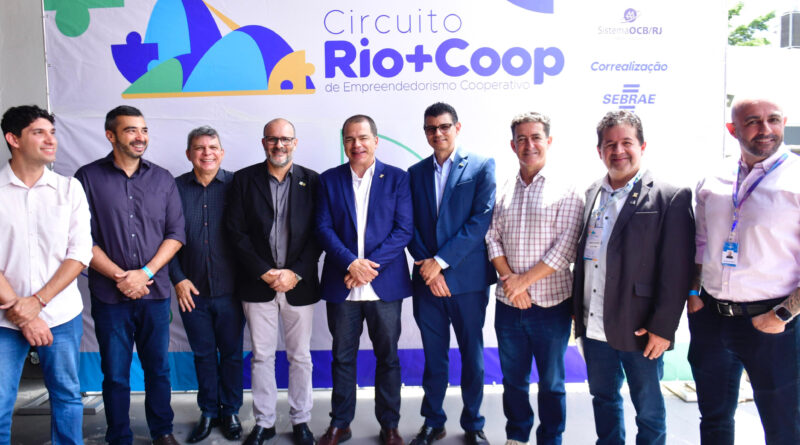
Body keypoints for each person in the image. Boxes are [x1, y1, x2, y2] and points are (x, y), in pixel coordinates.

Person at [572, 110, 694, 445]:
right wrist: (578, 313)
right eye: (610, 144)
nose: (618, 150)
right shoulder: (591, 193)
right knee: (603, 399)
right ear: (599, 150)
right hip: (594, 325)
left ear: (642, 146)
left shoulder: (669, 196)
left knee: (648, 409)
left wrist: (663, 328)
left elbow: (677, 270)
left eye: (626, 142)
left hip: (641, 328)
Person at [689, 98, 800, 444]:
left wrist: (783, 314)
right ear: (732, 129)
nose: (765, 129)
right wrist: (693, 293)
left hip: (773, 323)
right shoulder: (713, 179)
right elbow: (700, 243)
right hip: (711, 318)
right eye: (753, 121)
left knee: (783, 427)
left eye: (773, 120)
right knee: (714, 419)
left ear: (784, 122)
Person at [75, 105, 185, 445]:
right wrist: (122, 277)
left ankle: (162, 431)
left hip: (154, 294)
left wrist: (145, 273)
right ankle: (118, 436)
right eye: (131, 130)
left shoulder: (163, 178)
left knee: (158, 369)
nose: (140, 137)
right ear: (111, 135)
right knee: (115, 373)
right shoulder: (87, 178)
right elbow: (80, 238)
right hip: (110, 296)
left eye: (144, 130)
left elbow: (176, 233)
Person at [485, 112, 583, 445]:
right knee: (513, 380)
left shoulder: (568, 189)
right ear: (513, 145)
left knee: (552, 383)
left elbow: (565, 248)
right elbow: (492, 237)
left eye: (536, 137)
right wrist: (510, 281)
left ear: (548, 141)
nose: (529, 145)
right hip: (509, 304)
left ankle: (550, 438)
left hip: (552, 306)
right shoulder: (504, 189)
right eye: (522, 139)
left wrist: (523, 282)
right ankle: (517, 435)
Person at [315, 114, 413, 445]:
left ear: (375, 141)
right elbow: (323, 228)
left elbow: (403, 230)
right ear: (344, 143)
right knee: (343, 357)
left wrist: (368, 267)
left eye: (363, 138)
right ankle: (340, 423)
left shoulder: (398, 178)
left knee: (388, 358)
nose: (356, 145)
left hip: (383, 284)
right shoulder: (329, 180)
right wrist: (350, 263)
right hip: (342, 283)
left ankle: (390, 425)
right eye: (349, 139)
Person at [0, 105, 92, 445]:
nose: (50, 140)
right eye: (39, 133)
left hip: (61, 315)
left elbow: (79, 254)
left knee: (66, 396)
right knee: (0, 402)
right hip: (5, 320)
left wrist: (37, 303)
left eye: (52, 133)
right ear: (14, 139)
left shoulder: (69, 189)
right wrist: (22, 312)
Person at [407, 102, 496, 445]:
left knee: (472, 356)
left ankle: (473, 423)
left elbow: (480, 221)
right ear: (425, 132)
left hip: (467, 281)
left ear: (457, 128)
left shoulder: (481, 165)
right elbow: (408, 225)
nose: (438, 133)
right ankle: (433, 421)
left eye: (444, 126)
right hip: (427, 282)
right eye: (431, 128)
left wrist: (441, 262)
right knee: (434, 356)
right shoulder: (414, 173)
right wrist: (430, 269)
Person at [227, 118, 320, 445]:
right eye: (272, 139)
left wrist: (295, 272)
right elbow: (235, 232)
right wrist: (264, 271)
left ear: (295, 142)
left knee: (300, 357)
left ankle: (301, 420)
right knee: (262, 356)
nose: (279, 145)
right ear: (263, 142)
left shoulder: (313, 181)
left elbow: (319, 234)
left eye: (285, 139)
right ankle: (264, 422)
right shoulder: (243, 180)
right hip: (257, 284)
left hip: (299, 285)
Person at [168, 126, 244, 442]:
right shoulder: (173, 189)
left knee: (232, 354)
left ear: (222, 153)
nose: (207, 153)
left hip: (233, 291)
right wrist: (177, 279)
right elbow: (165, 238)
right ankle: (209, 411)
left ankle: (231, 411)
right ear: (189, 154)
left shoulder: (238, 185)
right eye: (199, 148)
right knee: (203, 354)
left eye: (213, 147)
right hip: (192, 291)